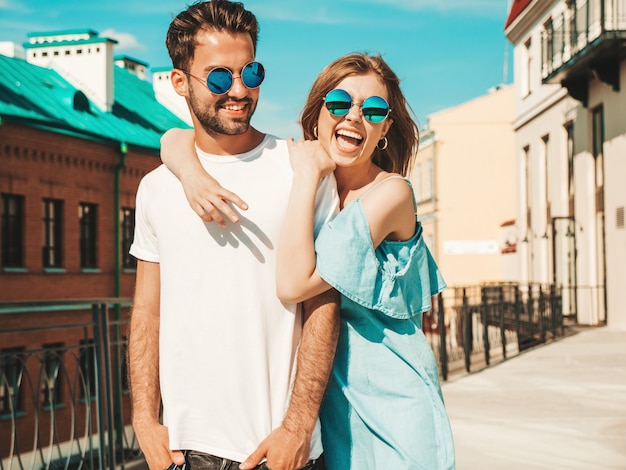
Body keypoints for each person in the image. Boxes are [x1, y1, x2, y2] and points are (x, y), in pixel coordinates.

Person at [161, 52, 456, 469]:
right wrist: (191, 172)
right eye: (339, 104)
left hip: (390, 401)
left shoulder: (390, 194)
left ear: (385, 128)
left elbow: (294, 285)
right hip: (328, 405)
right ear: (317, 113)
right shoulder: (313, 179)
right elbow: (173, 139)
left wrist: (304, 179)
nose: (355, 117)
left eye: (372, 110)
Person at [126, 2, 341, 470]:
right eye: (220, 78)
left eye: (252, 72)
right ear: (179, 81)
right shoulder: (157, 188)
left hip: (281, 451)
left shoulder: (302, 170)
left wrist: (298, 427)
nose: (240, 90)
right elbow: (147, 311)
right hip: (185, 452)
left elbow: (323, 305)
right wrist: (144, 419)